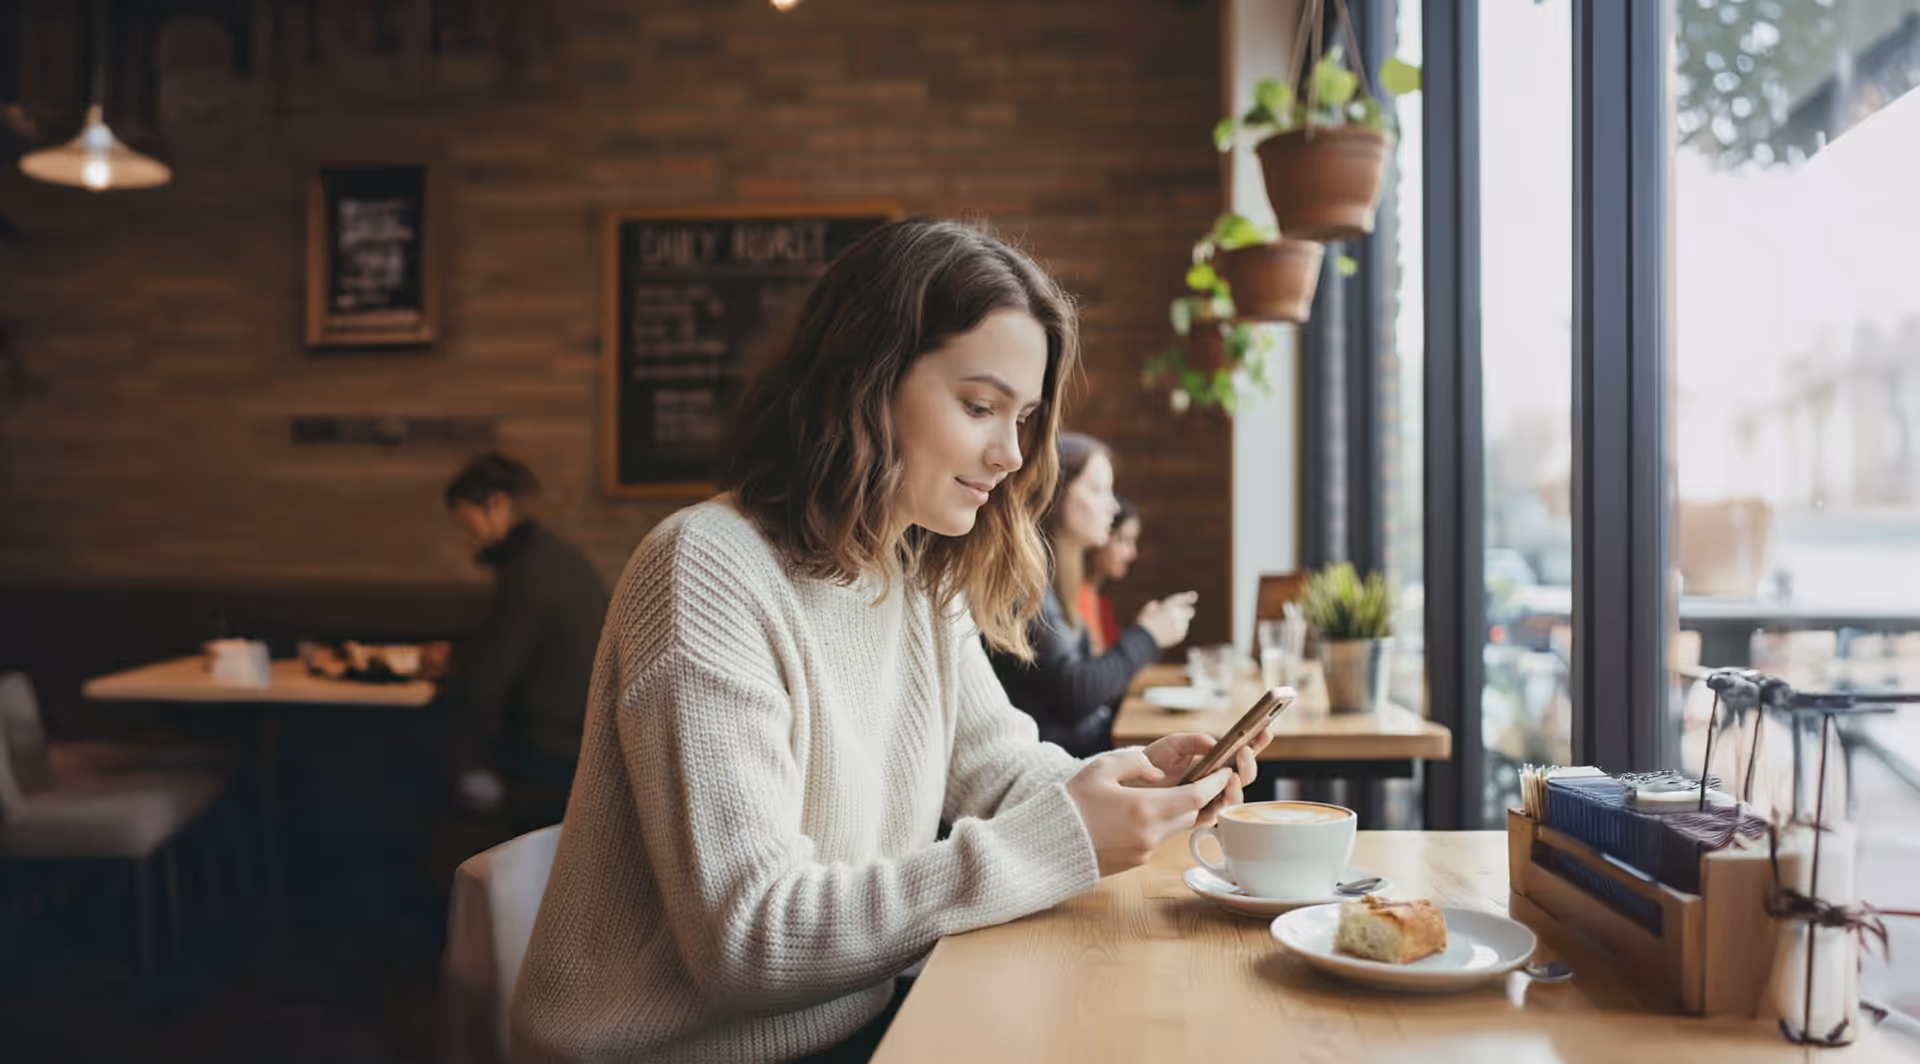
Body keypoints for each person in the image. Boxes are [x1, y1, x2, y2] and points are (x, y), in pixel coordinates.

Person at [509, 219, 1271, 1063]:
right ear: (865, 382)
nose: (1010, 454)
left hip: (864, 1021)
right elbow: (752, 940)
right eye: (978, 406)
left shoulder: (910, 572)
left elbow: (1003, 773)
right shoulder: (705, 570)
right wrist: (1065, 836)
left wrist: (1127, 784)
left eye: (1023, 418)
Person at [990, 434, 1197, 758]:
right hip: (1056, 770)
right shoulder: (1021, 581)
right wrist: (1147, 636)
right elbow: (1075, 691)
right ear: (1054, 494)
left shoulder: (1062, 582)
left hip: (1078, 759)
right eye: (1098, 490)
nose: (1113, 507)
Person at [438, 453, 609, 833]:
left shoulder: (528, 574)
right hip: (582, 747)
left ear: (497, 506)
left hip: (550, 758)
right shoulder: (558, 558)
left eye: (469, 527)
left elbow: (488, 682)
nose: (470, 542)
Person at [1082, 496, 1141, 654]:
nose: (1132, 553)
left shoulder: (1099, 601)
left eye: (1133, 542)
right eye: (1122, 540)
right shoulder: (1074, 597)